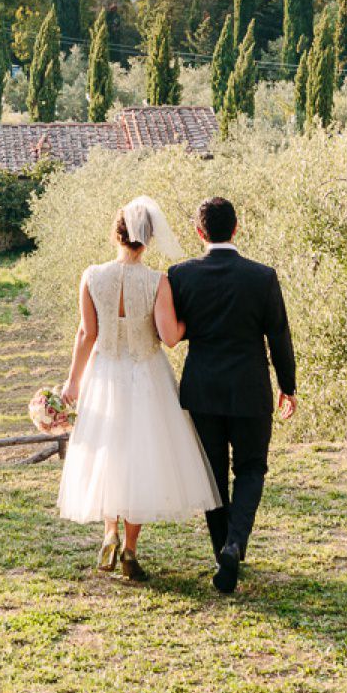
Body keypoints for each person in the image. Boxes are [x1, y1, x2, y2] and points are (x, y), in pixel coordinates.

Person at [58, 197, 221, 583]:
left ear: (116, 234)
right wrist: (191, 323)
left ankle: (109, 535)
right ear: (147, 239)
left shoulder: (92, 276)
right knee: (143, 459)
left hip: (104, 374)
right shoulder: (157, 281)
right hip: (146, 377)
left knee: (110, 454)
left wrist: (73, 381)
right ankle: (130, 548)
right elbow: (168, 337)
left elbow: (87, 334)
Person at [168, 197, 297, 594]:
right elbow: (279, 334)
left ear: (199, 232)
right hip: (249, 388)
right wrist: (287, 386)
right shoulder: (262, 277)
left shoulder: (180, 275)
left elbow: (174, 330)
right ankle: (235, 543)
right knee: (252, 468)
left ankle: (221, 550)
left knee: (212, 475)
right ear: (236, 229)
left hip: (202, 390)